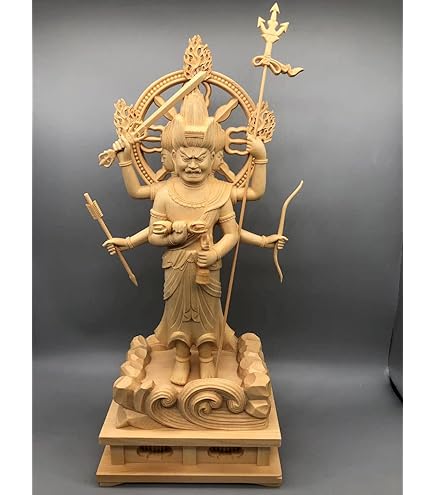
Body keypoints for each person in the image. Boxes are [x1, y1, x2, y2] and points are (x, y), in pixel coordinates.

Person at [104, 89, 286, 385]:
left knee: (207, 315)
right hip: (175, 267)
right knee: (177, 315)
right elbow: (146, 214)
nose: (192, 165)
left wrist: (261, 157)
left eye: (200, 158)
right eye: (185, 158)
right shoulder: (165, 193)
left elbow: (236, 224)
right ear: (170, 158)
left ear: (215, 158)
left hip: (207, 267)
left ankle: (206, 359)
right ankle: (180, 359)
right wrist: (126, 159)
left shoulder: (220, 192)